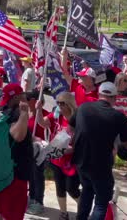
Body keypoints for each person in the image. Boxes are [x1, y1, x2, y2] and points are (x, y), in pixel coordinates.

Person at [69, 82, 127, 220]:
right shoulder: (118, 116)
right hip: (101, 165)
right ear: (114, 98)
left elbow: (71, 129)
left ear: (99, 95)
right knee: (101, 202)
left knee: (87, 192)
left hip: (81, 162)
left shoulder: (83, 108)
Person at [36, 92, 80, 220]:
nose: (59, 106)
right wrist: (38, 110)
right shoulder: (56, 116)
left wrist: (69, 150)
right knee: (60, 187)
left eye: (62, 103)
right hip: (57, 158)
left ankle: (83, 209)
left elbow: (81, 142)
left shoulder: (77, 119)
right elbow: (42, 123)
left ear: (69, 104)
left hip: (71, 161)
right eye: (58, 103)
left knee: (71, 188)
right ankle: (63, 213)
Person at [0, 83, 33, 220]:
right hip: (15, 174)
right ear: (19, 97)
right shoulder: (17, 112)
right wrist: (23, 115)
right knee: (12, 214)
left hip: (2, 171)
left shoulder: (3, 112)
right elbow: (17, 135)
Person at [26, 90, 48, 215]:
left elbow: (48, 131)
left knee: (37, 176)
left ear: (34, 101)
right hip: (27, 151)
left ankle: (38, 202)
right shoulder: (26, 113)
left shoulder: (44, 115)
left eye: (27, 99)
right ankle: (32, 197)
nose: (24, 101)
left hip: (39, 152)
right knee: (30, 176)